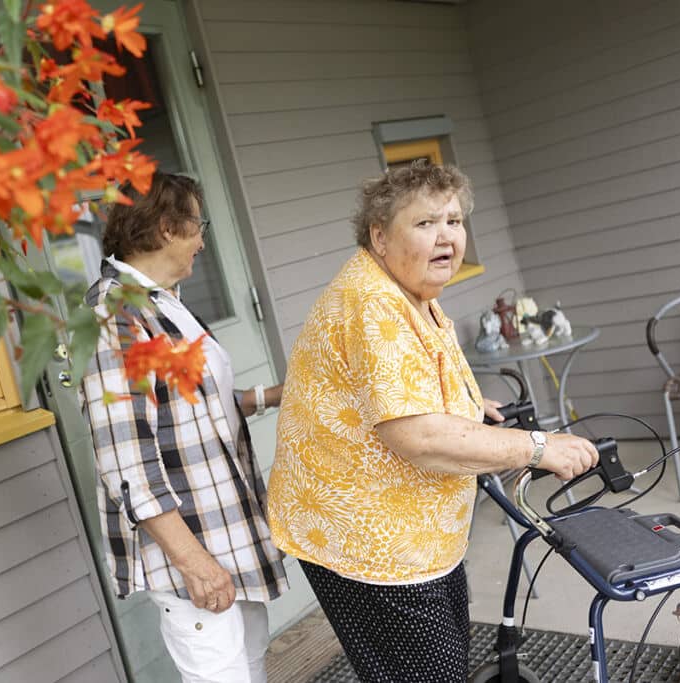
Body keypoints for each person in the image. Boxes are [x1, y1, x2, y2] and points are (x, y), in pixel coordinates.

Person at [266, 161, 599, 683]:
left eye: (454, 220)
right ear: (380, 235)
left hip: (405, 533)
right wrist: (536, 447)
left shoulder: (408, 288)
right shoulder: (374, 305)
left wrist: (469, 406)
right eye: (425, 224)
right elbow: (415, 434)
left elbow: (413, 376)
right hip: (371, 540)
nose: (446, 237)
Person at [80, 172, 288, 683]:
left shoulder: (162, 302)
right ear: (168, 227)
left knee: (251, 662)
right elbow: (126, 462)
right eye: (198, 226)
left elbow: (194, 410)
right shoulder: (115, 317)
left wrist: (276, 395)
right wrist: (196, 564)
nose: (202, 241)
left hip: (226, 533)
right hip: (191, 548)